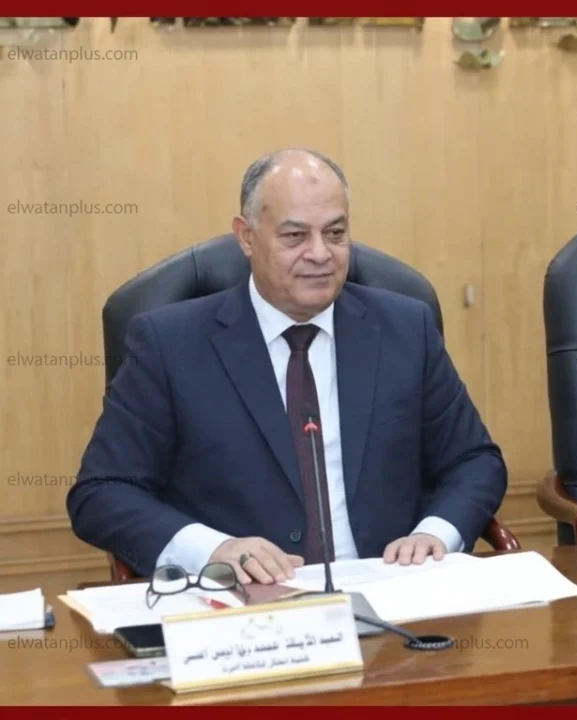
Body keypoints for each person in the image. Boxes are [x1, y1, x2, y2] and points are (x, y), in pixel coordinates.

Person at [67, 148, 507, 584]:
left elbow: (474, 461)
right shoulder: (169, 344)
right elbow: (102, 493)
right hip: (243, 603)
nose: (320, 254)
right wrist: (213, 550)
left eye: (335, 233)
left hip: (393, 590)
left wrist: (435, 534)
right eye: (295, 236)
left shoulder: (405, 328)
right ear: (246, 237)